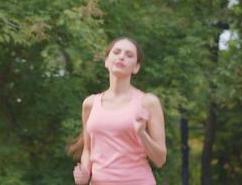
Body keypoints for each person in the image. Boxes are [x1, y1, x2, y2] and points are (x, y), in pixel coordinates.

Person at [67, 37, 167, 185]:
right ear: (107, 61)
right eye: (117, 52)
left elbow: (160, 160)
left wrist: (142, 134)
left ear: (136, 67)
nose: (122, 57)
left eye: (129, 55)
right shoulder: (90, 104)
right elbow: (88, 151)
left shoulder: (148, 102)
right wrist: (84, 173)